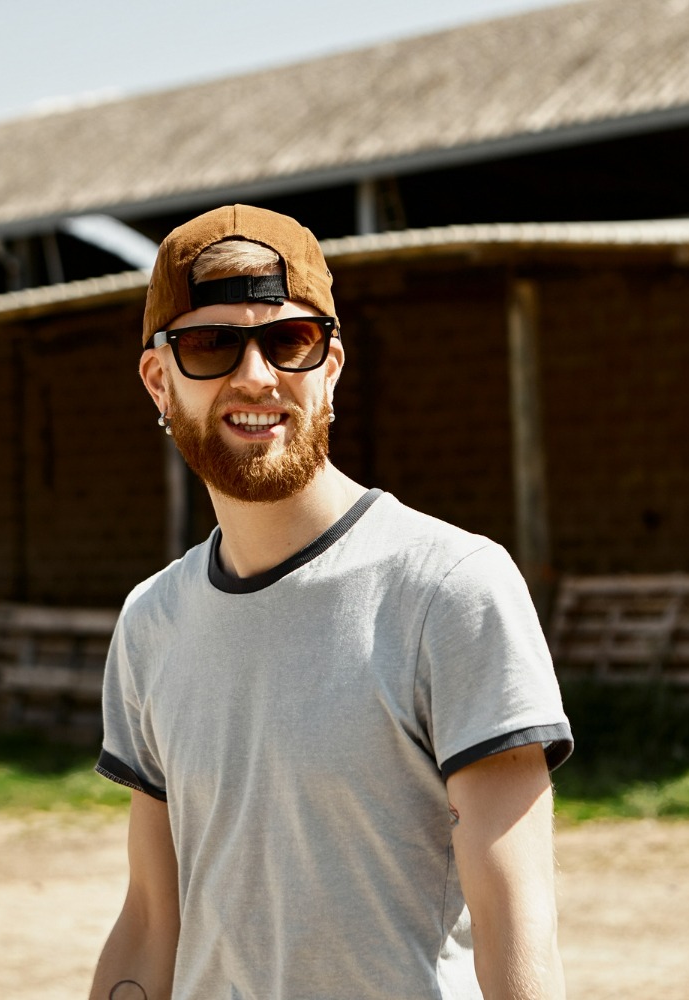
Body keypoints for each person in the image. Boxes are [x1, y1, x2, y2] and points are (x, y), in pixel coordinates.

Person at [90, 204, 573, 1000]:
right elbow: (150, 918)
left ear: (332, 367)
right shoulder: (152, 623)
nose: (255, 376)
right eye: (210, 345)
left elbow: (516, 926)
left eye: (289, 341)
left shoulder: (449, 589)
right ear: (158, 380)